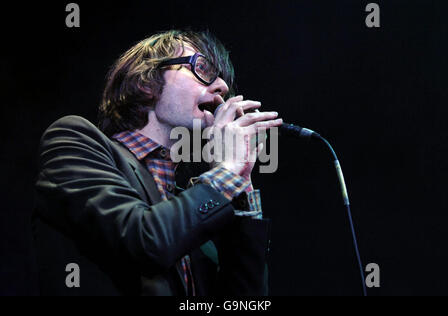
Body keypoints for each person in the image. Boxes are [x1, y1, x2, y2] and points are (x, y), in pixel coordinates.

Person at [33, 30, 283, 296]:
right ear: (147, 82)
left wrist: (240, 185)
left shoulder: (199, 205)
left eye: (222, 79)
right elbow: (145, 240)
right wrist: (226, 172)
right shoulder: (74, 140)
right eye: (202, 68)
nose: (221, 86)